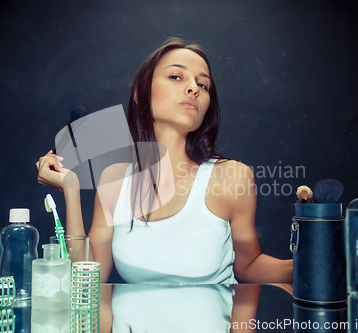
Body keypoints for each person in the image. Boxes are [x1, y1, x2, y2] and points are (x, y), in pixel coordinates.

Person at [36, 38, 293, 284]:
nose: (194, 88)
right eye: (175, 76)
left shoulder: (232, 177)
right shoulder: (114, 180)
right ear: (140, 92)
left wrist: (317, 263)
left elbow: (248, 266)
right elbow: (86, 279)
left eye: (203, 85)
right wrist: (71, 189)